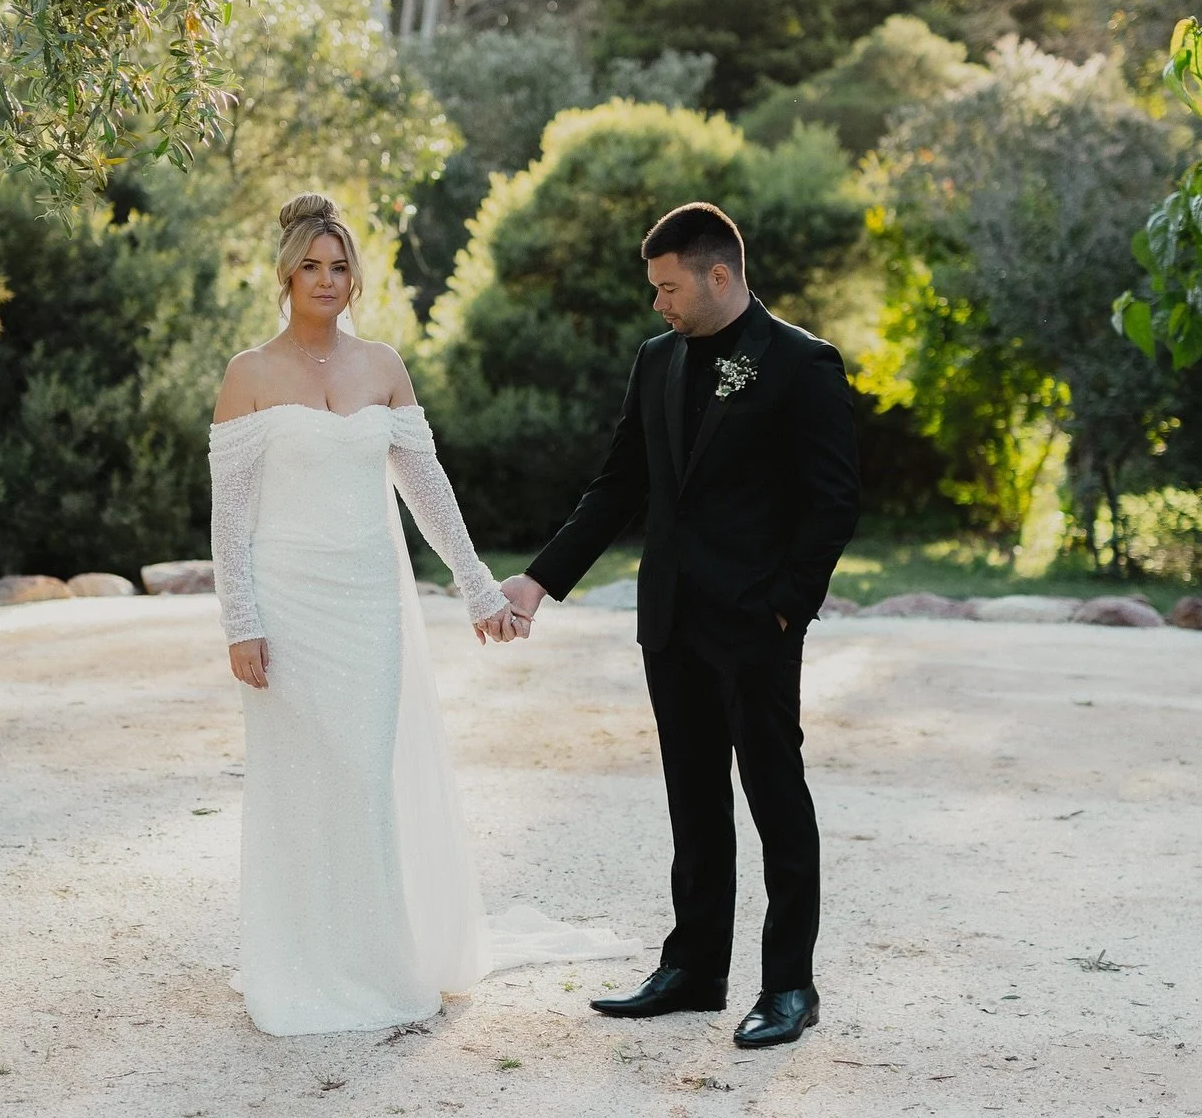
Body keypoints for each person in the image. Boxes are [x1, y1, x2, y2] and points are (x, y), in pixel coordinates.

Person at [209, 192, 635, 1036]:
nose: (327, 281)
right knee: (302, 784)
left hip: (369, 606)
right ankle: (301, 963)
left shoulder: (385, 366)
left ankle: (376, 962)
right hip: (288, 607)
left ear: (355, 276)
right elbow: (230, 518)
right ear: (286, 274)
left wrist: (479, 588)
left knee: (365, 777)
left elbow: (429, 494)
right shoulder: (248, 374)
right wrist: (240, 621)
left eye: (340, 267)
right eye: (312, 267)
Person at [501, 202, 860, 1048]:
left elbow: (834, 500)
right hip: (669, 620)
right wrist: (541, 580)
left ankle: (789, 986)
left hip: (756, 625)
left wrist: (784, 606)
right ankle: (695, 969)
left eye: (667, 287)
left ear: (719, 275)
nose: (657, 303)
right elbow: (618, 486)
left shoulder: (803, 364)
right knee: (693, 801)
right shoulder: (655, 359)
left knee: (775, 798)